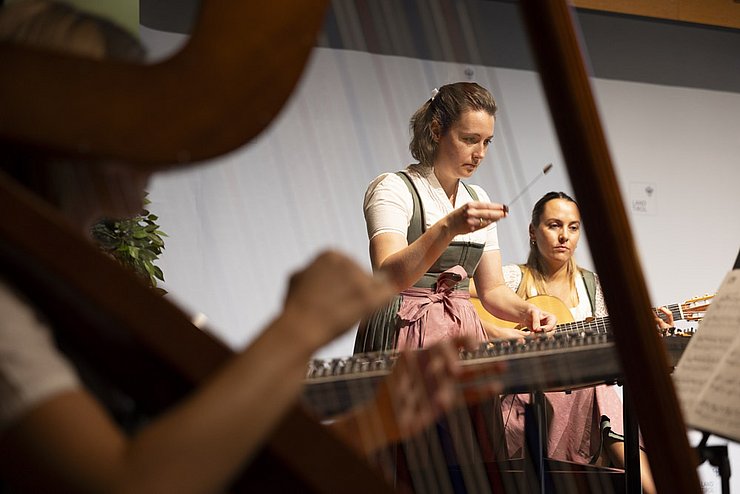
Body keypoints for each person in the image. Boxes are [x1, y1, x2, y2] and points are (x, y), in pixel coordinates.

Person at [0, 2, 500, 492]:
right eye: (135, 110)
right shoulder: (8, 310)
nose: (159, 134)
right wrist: (301, 325)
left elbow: (213, 469)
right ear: (64, 125)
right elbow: (128, 480)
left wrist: (371, 425)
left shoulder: (63, 279)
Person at [474, 191, 657, 494]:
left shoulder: (592, 286)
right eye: (554, 225)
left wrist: (642, 328)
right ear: (533, 231)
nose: (564, 237)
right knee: (597, 391)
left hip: (580, 393)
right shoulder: (508, 280)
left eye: (573, 227)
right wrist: (505, 335)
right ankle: (655, 486)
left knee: (596, 386)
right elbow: (461, 311)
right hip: (521, 393)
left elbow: (609, 346)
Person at [354, 82, 556, 356]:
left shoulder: (477, 197)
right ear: (437, 131)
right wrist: (448, 227)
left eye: (487, 142)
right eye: (470, 139)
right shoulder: (393, 188)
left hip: (462, 332)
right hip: (403, 329)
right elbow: (388, 276)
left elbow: (493, 288)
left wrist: (527, 311)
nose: (480, 153)